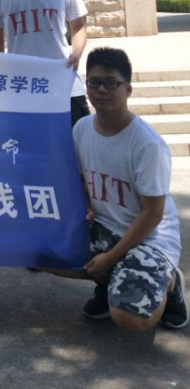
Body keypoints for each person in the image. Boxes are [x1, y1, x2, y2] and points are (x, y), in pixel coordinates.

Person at [72, 47, 187, 331]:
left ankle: (170, 282)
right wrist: (86, 205)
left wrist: (109, 259)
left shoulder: (146, 144)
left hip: (149, 239)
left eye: (111, 83)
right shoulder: (82, 129)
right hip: (104, 227)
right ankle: (111, 282)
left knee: (130, 319)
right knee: (40, 251)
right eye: (94, 82)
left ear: (128, 89)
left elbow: (153, 215)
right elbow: (82, 181)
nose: (101, 90)